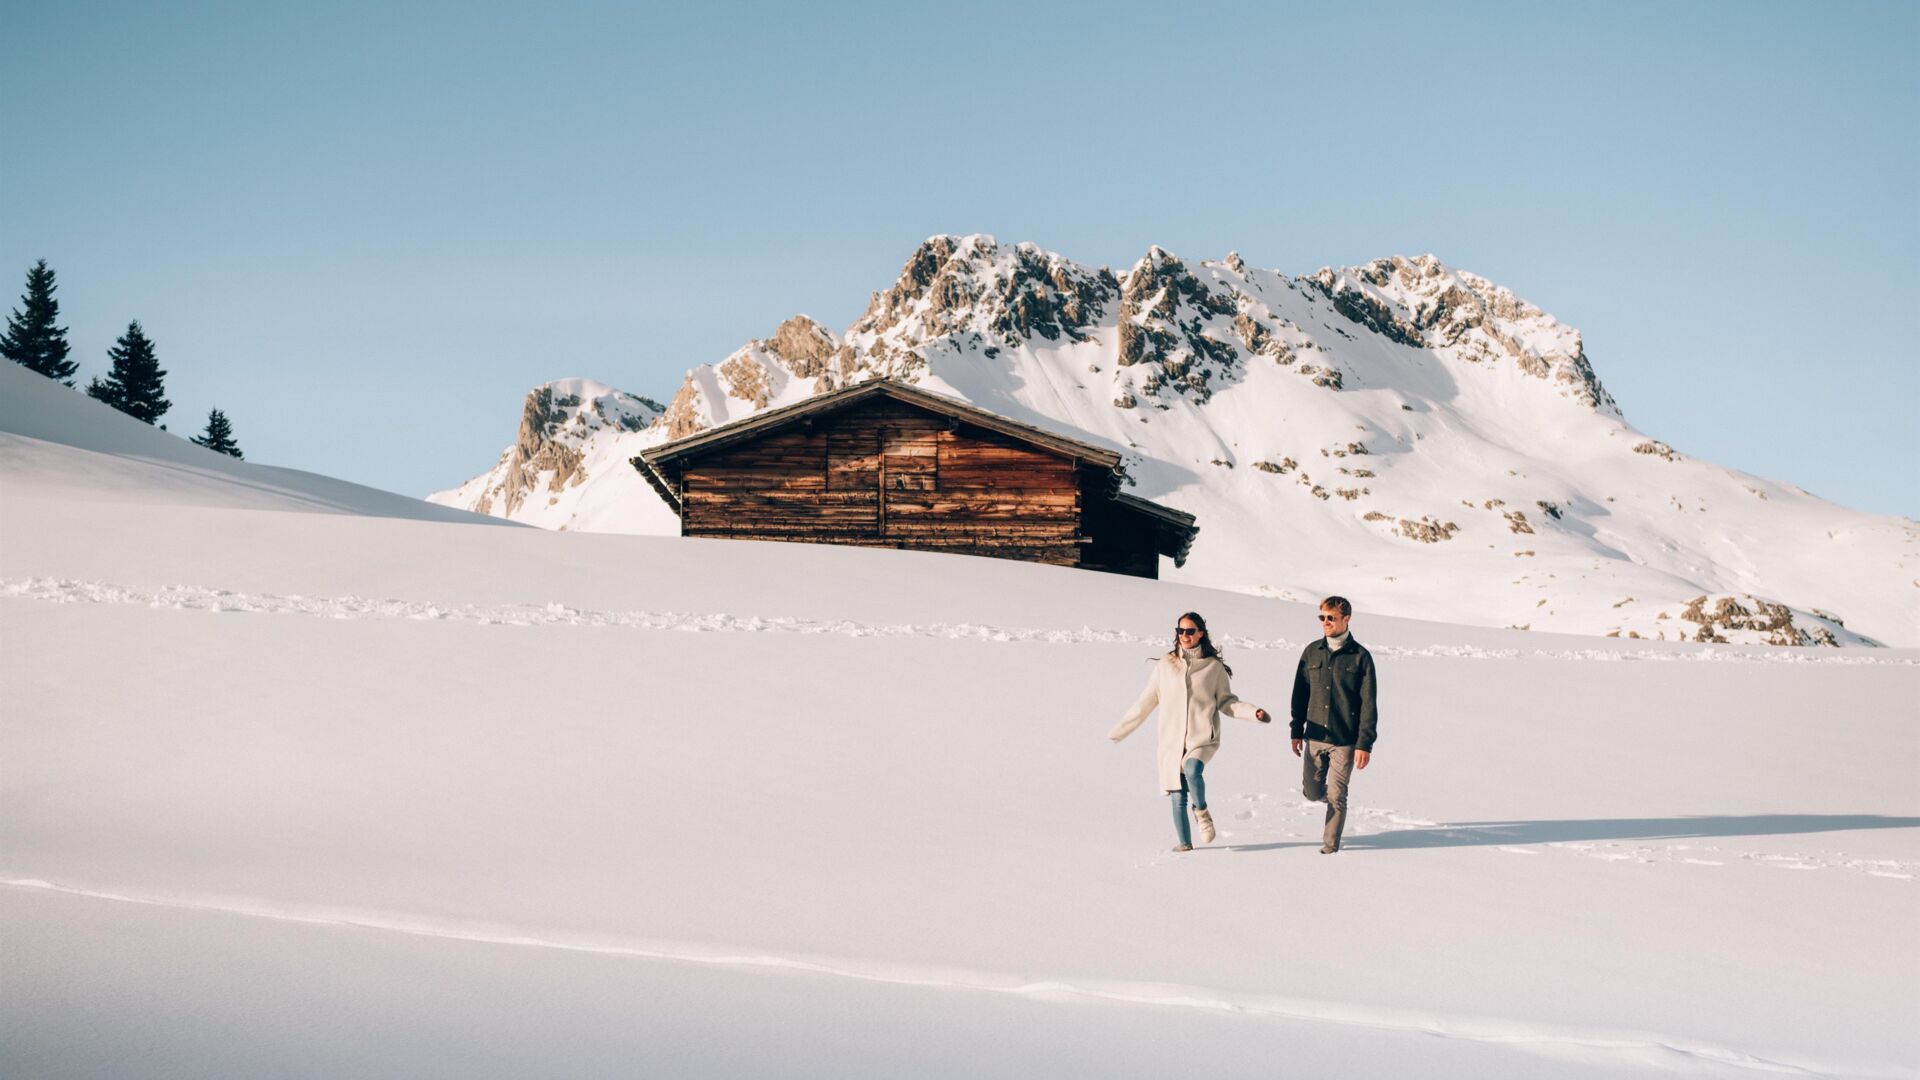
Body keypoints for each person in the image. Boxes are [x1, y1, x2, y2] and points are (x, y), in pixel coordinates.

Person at [1111, 612, 1270, 852]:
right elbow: (1145, 701)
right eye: (1180, 631)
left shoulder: (1213, 667)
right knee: (1177, 795)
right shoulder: (1166, 665)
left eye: (1190, 631)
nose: (1184, 636)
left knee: (1192, 769)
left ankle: (1202, 812)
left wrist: (1253, 713)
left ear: (1201, 634)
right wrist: (1120, 731)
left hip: (1202, 738)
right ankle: (1185, 844)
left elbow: (1227, 702)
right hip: (1171, 741)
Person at [1289, 595, 1379, 854]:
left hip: (1345, 740)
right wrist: (1296, 730)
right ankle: (1325, 793)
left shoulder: (1361, 657)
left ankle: (1330, 850)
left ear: (1346, 619)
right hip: (1315, 735)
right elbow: (1299, 694)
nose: (1325, 622)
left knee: (1338, 797)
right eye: (1322, 617)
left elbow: (1368, 704)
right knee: (1312, 792)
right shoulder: (1311, 652)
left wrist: (1365, 744)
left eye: (1331, 617)